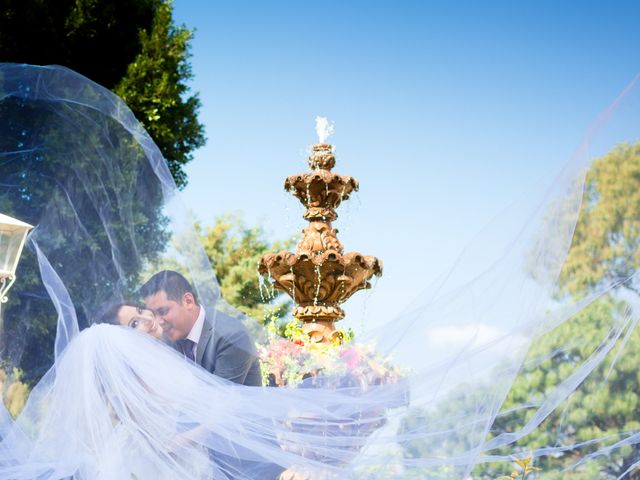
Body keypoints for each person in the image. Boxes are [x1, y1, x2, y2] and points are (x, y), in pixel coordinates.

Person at [140, 270, 263, 386]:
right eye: (154, 314)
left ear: (188, 301)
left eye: (163, 311)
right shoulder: (169, 339)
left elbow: (220, 401)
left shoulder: (231, 336)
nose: (158, 321)